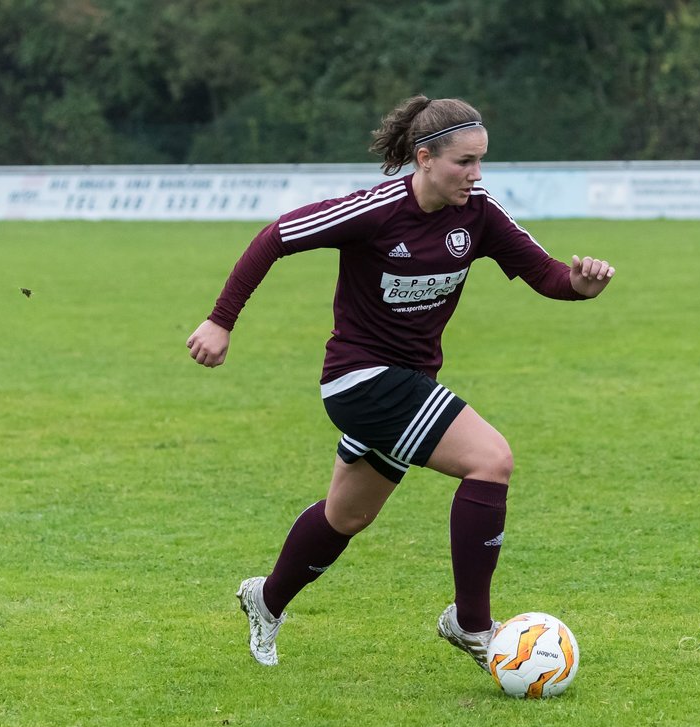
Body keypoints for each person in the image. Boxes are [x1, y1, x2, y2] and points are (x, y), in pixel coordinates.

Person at [186, 95, 615, 668]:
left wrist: (580, 284)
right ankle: (471, 624)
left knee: (348, 516)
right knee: (491, 460)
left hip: (408, 380)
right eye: (464, 162)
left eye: (482, 160)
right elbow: (275, 238)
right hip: (358, 380)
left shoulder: (479, 213)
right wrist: (221, 321)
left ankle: (266, 598)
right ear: (425, 158)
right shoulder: (373, 211)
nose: (477, 174)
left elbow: (546, 274)